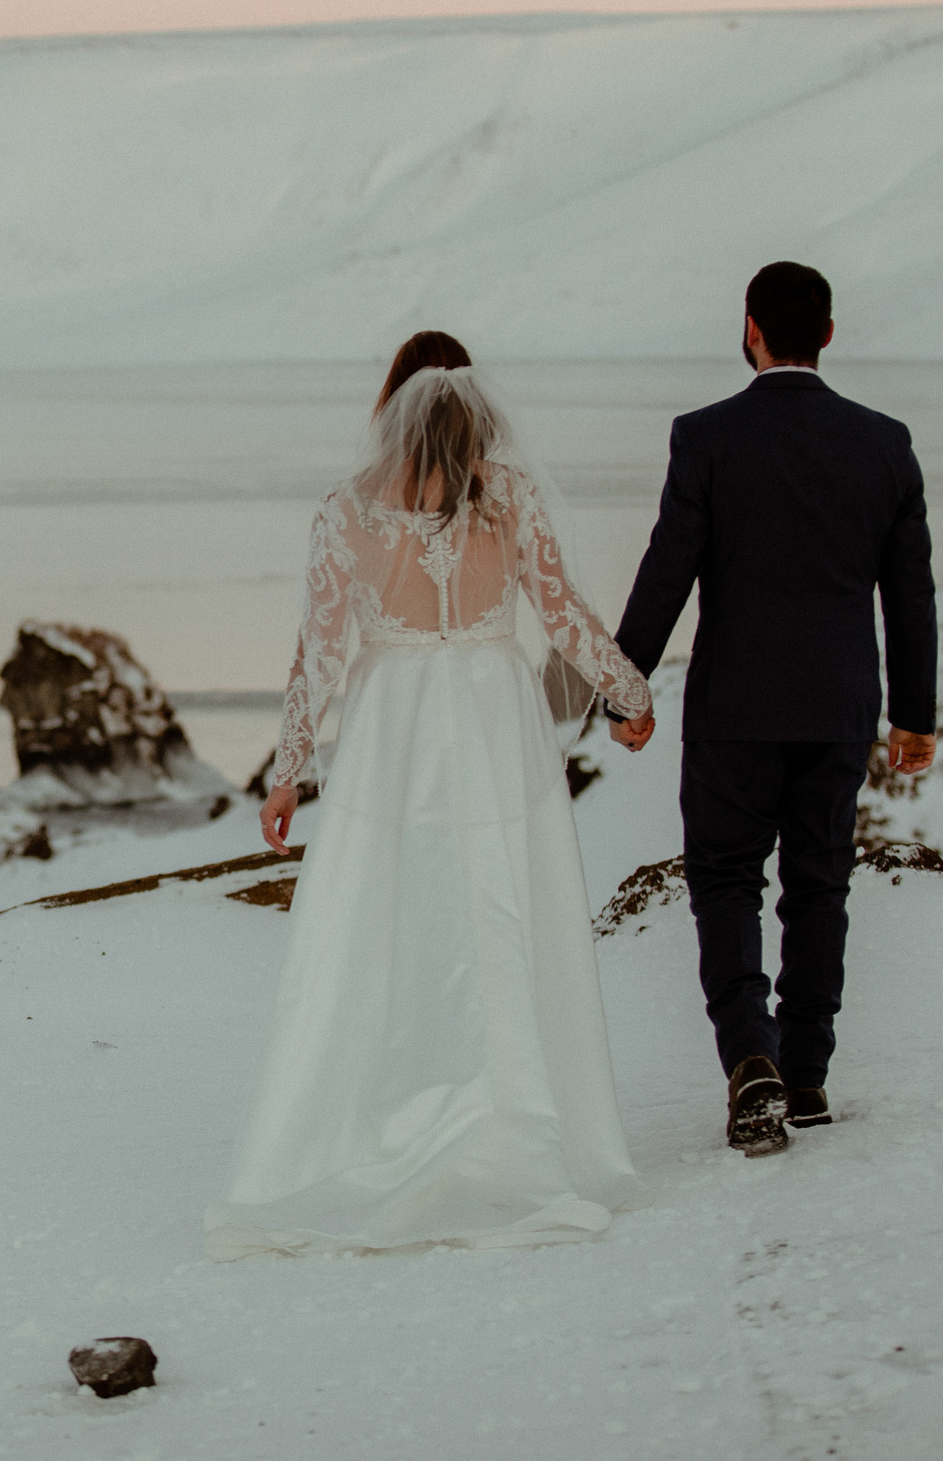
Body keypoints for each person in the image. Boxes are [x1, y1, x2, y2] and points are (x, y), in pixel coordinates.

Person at [205, 332, 656, 1259]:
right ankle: (512, 1118)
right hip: (493, 720)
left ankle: (381, 1119)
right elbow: (564, 615)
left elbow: (319, 651)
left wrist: (288, 770)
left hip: (394, 729)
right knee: (500, 910)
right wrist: (631, 692)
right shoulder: (508, 497)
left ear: (394, 401)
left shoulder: (348, 509)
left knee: (385, 918)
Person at [607, 261, 937, 1158]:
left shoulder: (706, 436)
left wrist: (625, 687)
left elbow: (668, 567)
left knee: (724, 882)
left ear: (751, 328)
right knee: (819, 884)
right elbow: (909, 593)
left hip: (734, 707)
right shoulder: (885, 443)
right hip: (838, 707)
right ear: (826, 333)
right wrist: (914, 714)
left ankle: (751, 1058)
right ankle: (808, 1073)